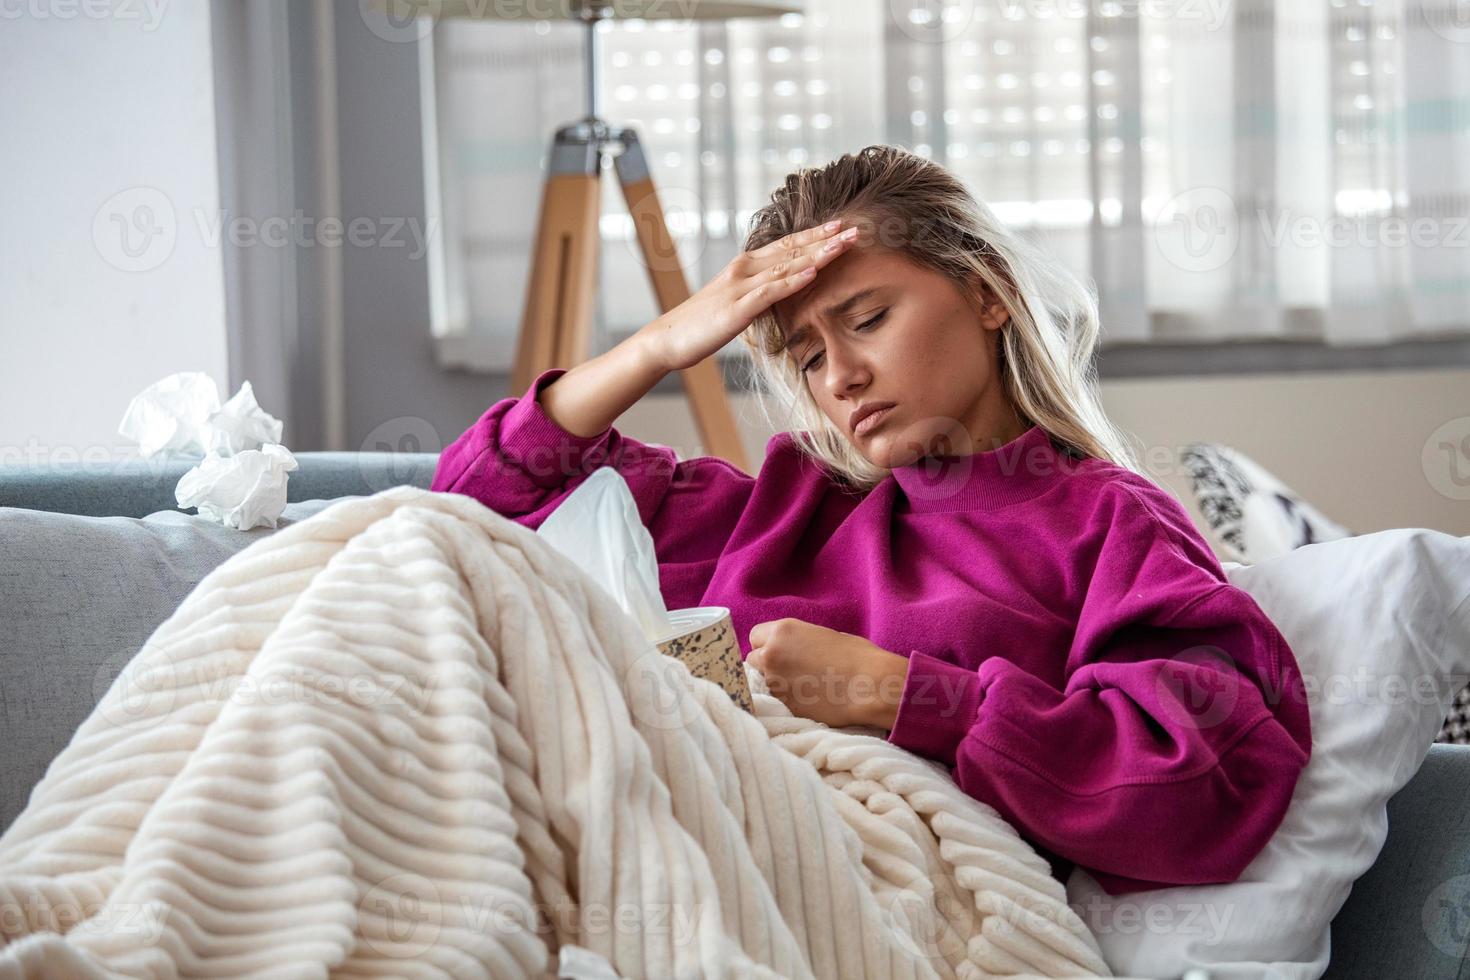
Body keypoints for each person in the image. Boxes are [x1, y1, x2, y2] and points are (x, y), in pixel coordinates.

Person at [431, 144, 1311, 896]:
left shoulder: (1107, 523)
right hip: (655, 846)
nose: (840, 376)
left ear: (986, 292)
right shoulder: (787, 504)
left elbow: (1209, 781)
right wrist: (658, 346)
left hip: (864, 893)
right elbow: (469, 508)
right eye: (808, 357)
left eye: (869, 320)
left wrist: (907, 695)